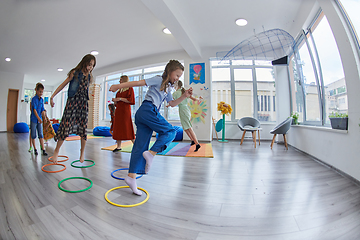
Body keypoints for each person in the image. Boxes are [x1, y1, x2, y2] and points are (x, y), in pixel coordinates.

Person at [109, 60, 192, 195]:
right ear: (169, 71)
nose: (177, 78)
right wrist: (118, 86)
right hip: (148, 110)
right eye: (176, 75)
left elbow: (171, 103)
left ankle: (131, 178)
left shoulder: (168, 88)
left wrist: (184, 96)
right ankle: (151, 153)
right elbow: (137, 83)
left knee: (139, 147)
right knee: (170, 131)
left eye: (179, 77)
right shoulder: (158, 79)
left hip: (144, 115)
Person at [50, 54, 96, 164]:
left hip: (83, 104)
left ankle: (82, 152)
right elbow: (63, 84)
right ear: (84, 63)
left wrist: (90, 93)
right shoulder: (74, 73)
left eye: (93, 66)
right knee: (65, 126)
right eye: (89, 64)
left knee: (83, 128)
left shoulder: (89, 76)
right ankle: (56, 151)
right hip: (72, 102)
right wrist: (52, 96)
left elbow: (85, 88)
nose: (91, 67)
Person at [170, 80, 202, 152]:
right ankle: (193, 140)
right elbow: (194, 99)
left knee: (189, 128)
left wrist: (169, 104)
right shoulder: (184, 92)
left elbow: (173, 102)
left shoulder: (175, 93)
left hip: (183, 111)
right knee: (185, 128)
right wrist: (199, 98)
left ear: (176, 86)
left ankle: (197, 144)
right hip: (186, 110)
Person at [111, 75, 135, 152]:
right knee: (118, 127)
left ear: (124, 80)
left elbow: (131, 101)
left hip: (125, 111)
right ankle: (118, 146)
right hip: (118, 111)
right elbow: (116, 104)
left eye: (121, 80)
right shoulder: (119, 91)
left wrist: (120, 99)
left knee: (127, 126)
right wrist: (115, 101)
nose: (119, 81)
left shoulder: (130, 89)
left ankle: (135, 144)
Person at [30, 83, 47, 155]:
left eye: (42, 92)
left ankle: (43, 149)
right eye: (40, 91)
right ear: (36, 91)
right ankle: (35, 149)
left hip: (39, 120)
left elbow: (42, 109)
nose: (41, 93)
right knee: (33, 135)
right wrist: (38, 118)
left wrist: (44, 117)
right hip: (34, 120)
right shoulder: (34, 99)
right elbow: (34, 110)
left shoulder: (42, 100)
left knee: (41, 134)